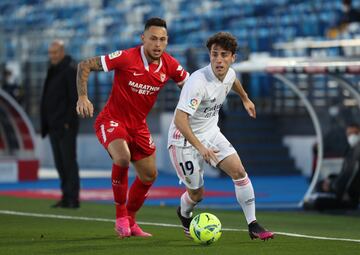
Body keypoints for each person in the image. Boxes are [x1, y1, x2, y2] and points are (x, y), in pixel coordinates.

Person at [76, 17, 189, 238]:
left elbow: (191, 86)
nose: (157, 44)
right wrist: (82, 97)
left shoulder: (170, 65)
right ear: (143, 39)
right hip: (112, 120)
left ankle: (131, 220)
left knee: (149, 175)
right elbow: (85, 65)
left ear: (167, 42)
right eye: (153, 39)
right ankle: (120, 217)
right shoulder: (126, 57)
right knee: (122, 158)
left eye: (162, 40)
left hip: (138, 126)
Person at [167, 32, 274, 241]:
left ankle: (253, 224)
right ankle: (184, 214)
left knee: (239, 171)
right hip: (183, 141)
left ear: (233, 57)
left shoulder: (230, 74)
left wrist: (245, 98)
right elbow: (180, 120)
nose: (218, 59)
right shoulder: (197, 82)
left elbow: (232, 81)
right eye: (214, 54)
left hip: (211, 133)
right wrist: (200, 148)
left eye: (224, 55)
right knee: (197, 194)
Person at [40, 40, 80, 209]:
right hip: (53, 125)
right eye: (50, 53)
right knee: (60, 164)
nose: (52, 56)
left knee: (68, 163)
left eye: (55, 52)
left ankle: (73, 198)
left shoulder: (70, 70)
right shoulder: (53, 69)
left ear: (62, 52)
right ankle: (66, 196)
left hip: (65, 126)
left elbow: (74, 98)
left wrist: (68, 122)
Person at [307, 122, 360, 210]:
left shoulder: (356, 152)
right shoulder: (350, 150)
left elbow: (350, 175)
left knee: (315, 203)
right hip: (342, 189)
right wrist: (331, 181)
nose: (351, 136)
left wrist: (332, 185)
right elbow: (344, 173)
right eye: (349, 134)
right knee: (319, 187)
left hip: (350, 195)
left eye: (355, 133)